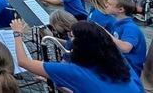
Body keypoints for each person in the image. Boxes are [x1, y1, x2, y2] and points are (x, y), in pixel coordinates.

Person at [10, 19, 143, 92]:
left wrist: (17, 34)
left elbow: (23, 61)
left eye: (71, 37)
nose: (69, 41)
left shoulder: (74, 71)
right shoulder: (116, 58)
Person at [106, 0, 147, 75]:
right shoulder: (117, 23)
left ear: (121, 9)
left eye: (110, 4)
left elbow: (125, 48)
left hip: (129, 69)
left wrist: (104, 32)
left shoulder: (130, 27)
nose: (106, 5)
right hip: (120, 63)